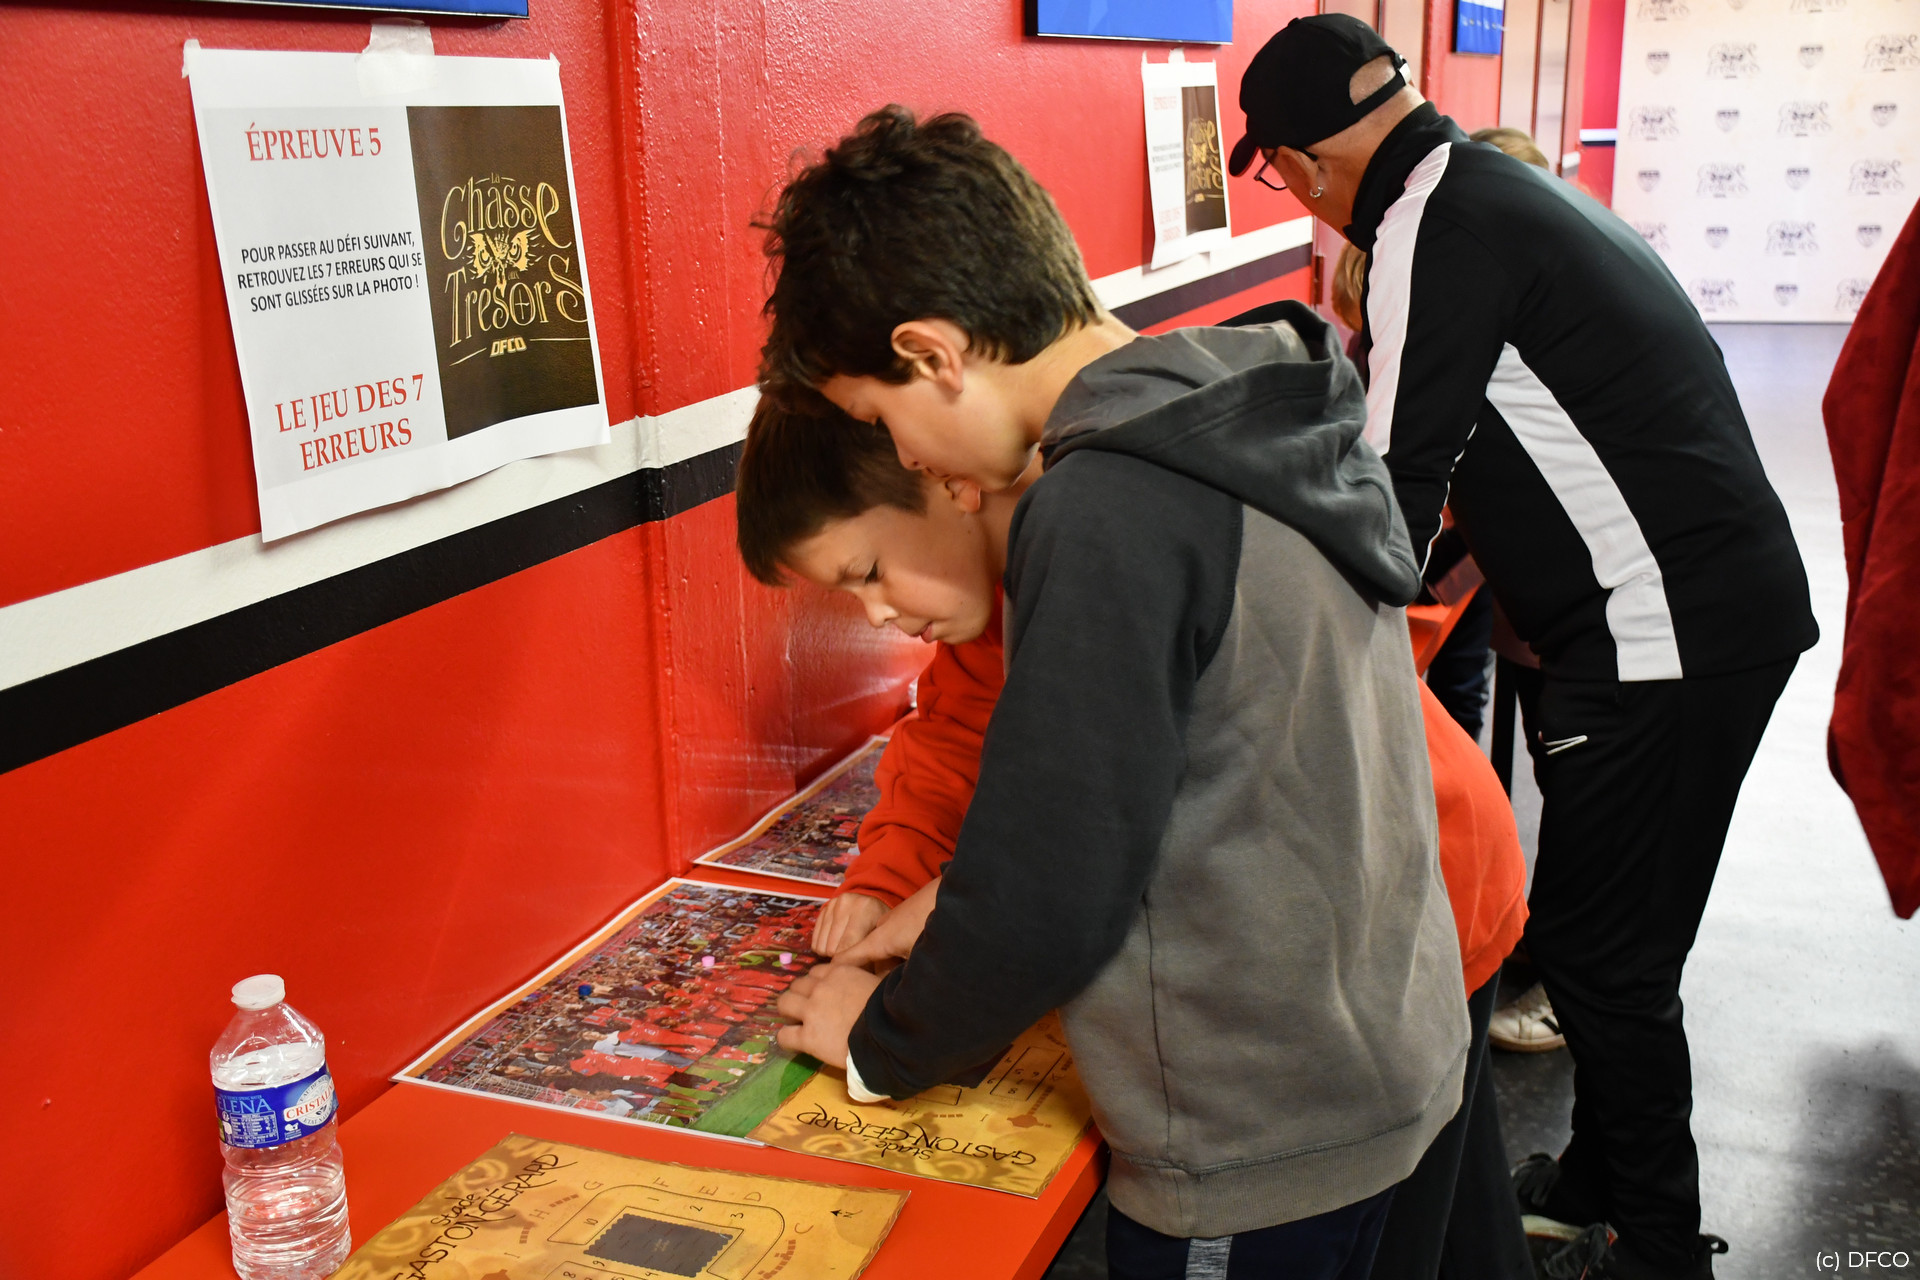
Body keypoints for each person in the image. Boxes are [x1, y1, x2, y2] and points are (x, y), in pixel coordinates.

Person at [755, 105, 1469, 1280]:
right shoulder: (1240, 403)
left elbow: (1054, 878)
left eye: (883, 419)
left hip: (1260, 1133)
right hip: (1386, 1046)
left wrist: (884, 1039)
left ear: (933, 355)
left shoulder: (1104, 503)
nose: (912, 460)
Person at [1229, 16, 1818, 1280]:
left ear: (1309, 162)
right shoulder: (1504, 190)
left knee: (1603, 958)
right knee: (1620, 941)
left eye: (1279, 172)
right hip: (1708, 612)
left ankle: (1655, 1244)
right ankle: (1603, 1181)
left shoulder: (1427, 225)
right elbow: (1495, 461)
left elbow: (1391, 486)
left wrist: (1273, 642)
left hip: (1659, 635)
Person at [736, 394, 1535, 1279]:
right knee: (1441, 1201)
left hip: (1403, 898)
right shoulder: (1013, 579)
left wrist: (891, 1029)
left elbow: (1073, 874)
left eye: (870, 571)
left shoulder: (1092, 561)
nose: (874, 615)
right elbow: (959, 734)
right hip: (1383, 905)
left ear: (945, 480)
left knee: (1410, 1199)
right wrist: (891, 878)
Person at [1325, 125, 1569, 1056]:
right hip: (1468, 588)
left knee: (1545, 765)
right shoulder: (1380, 335)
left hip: (1523, 593)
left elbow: (1450, 511)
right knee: (1463, 730)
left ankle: (1557, 966)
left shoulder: (1492, 341)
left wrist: (1409, 584)